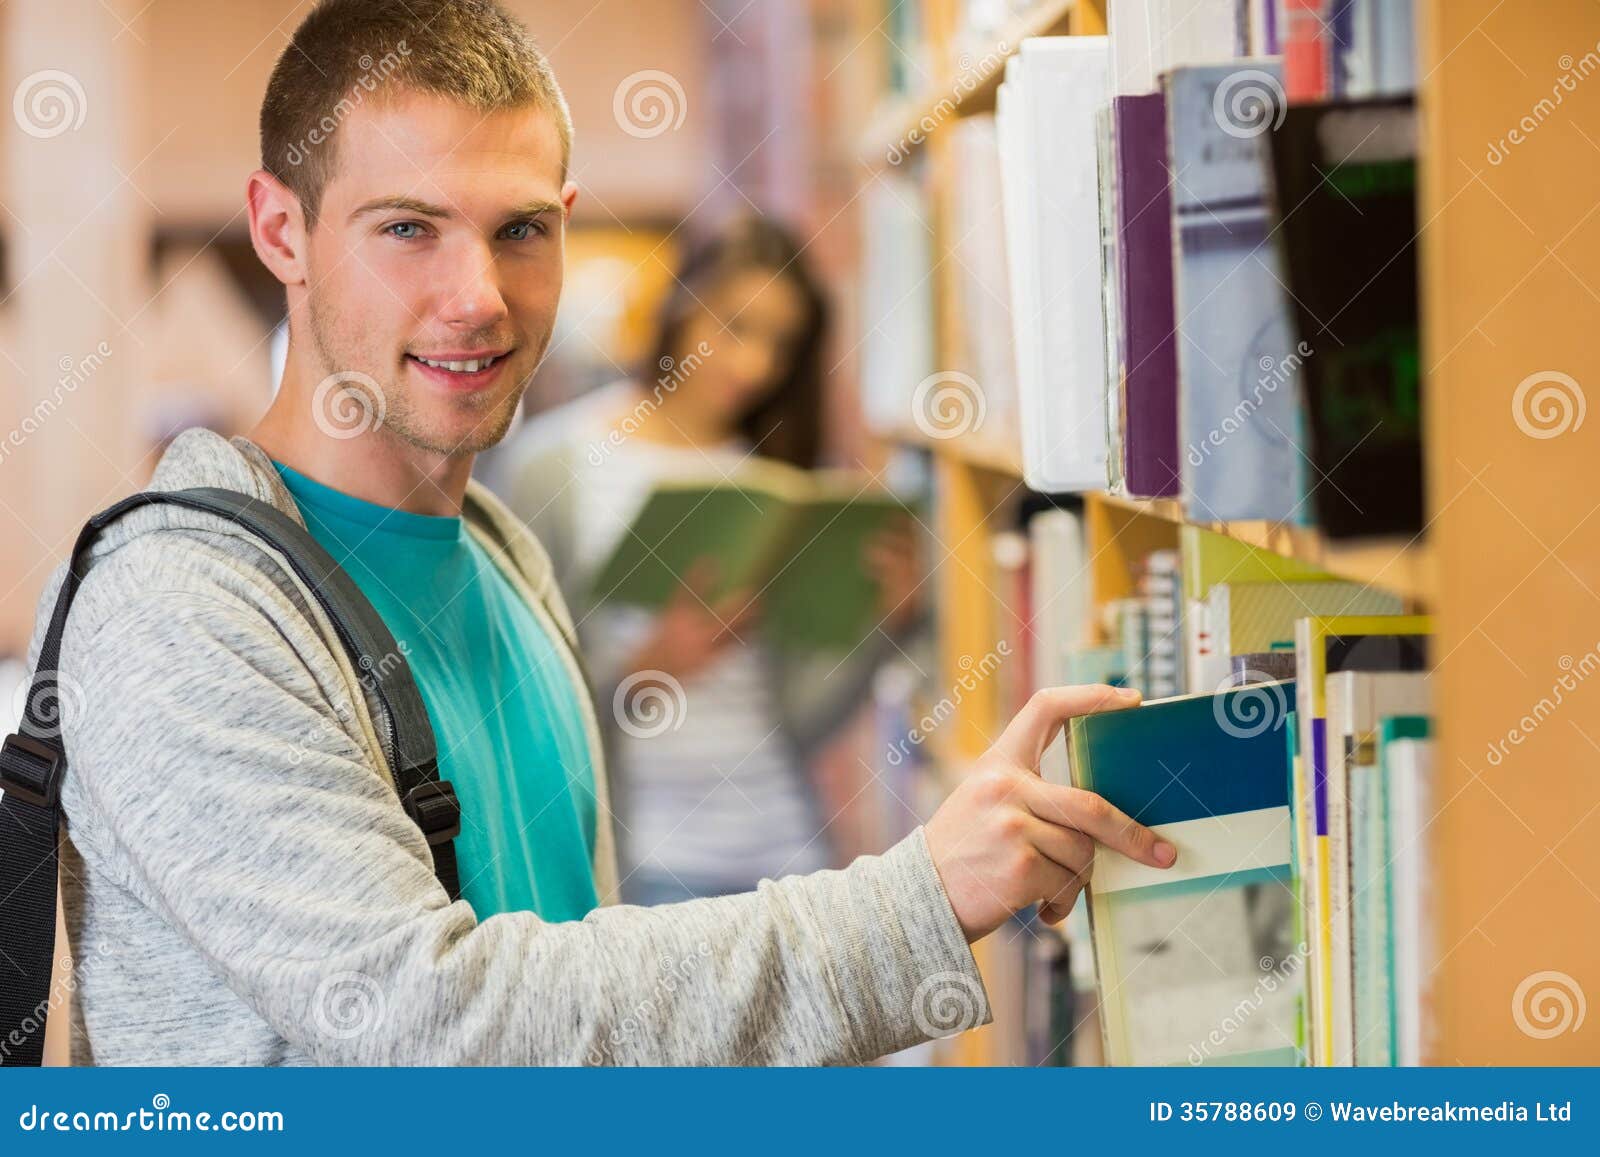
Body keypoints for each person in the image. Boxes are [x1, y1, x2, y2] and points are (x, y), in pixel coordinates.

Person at [15, 0, 1174, 1066]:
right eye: (408, 227)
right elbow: (436, 1026)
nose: (477, 294)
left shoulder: (506, 555)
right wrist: (913, 901)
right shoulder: (182, 603)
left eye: (519, 229)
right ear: (282, 230)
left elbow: (577, 969)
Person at [495, 216, 923, 906]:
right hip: (650, 863)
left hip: (789, 851)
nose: (755, 365)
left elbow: (799, 722)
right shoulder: (557, 465)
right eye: (733, 327)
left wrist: (884, 625)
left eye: (780, 345)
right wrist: (644, 668)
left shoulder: (771, 481)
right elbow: (520, 700)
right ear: (680, 305)